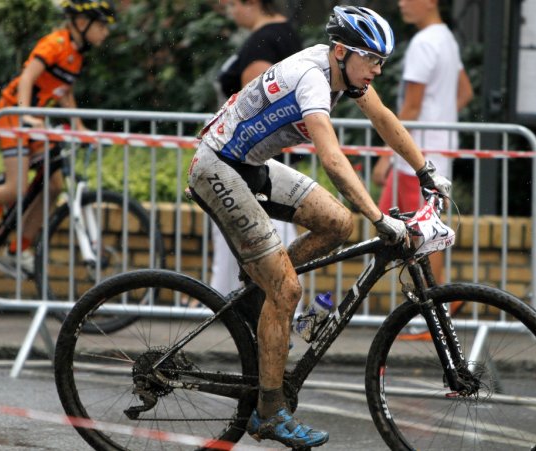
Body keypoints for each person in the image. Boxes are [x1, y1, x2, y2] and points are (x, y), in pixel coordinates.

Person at [186, 5, 451, 448]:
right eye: (371, 59)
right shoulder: (313, 78)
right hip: (217, 168)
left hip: (249, 165)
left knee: (338, 223)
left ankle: (261, 290)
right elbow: (331, 158)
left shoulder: (346, 75)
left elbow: (384, 118)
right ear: (342, 51)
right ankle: (269, 412)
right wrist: (379, 217)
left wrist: (426, 170)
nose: (377, 69)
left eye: (382, 61)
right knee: (287, 290)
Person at [0, 0, 115, 274]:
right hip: (14, 115)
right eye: (102, 25)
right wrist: (24, 114)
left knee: (54, 185)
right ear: (82, 22)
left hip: (35, 122)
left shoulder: (76, 54)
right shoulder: (55, 43)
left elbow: (65, 93)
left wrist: (80, 128)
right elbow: (27, 78)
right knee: (16, 188)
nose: (106, 32)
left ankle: (18, 249)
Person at [372, 0, 472, 284]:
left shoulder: (424, 43)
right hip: (433, 152)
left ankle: (436, 302)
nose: (401, 2)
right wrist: (440, 118)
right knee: (411, 230)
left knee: (423, 235)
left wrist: (386, 156)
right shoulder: (446, 38)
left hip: (414, 158)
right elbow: (465, 92)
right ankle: (440, 300)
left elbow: (413, 108)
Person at [207, 0, 302, 297]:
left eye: (234, 3)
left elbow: (254, 105)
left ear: (253, 3)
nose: (230, 9)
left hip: (247, 159)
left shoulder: (262, 42)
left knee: (247, 237)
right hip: (269, 157)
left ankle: (233, 303)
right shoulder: (285, 33)